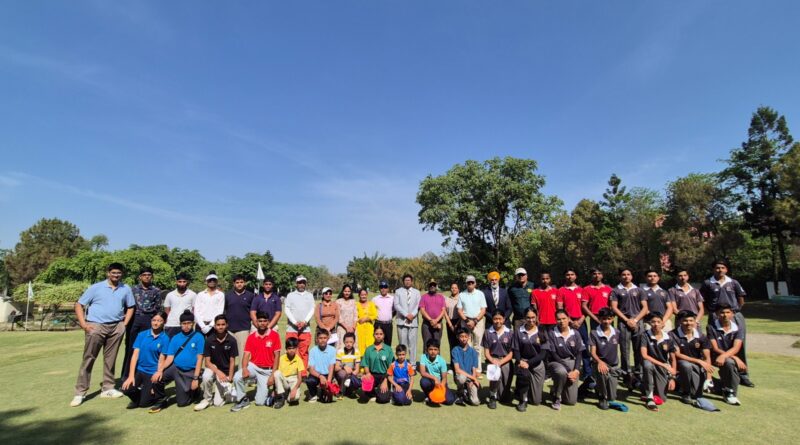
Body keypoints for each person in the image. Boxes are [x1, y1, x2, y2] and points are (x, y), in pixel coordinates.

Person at [71, 262, 135, 407]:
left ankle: (108, 388)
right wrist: (83, 324)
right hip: (96, 326)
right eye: (113, 273)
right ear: (108, 273)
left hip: (116, 326)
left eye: (119, 273)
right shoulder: (96, 287)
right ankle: (80, 392)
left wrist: (124, 324)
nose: (116, 275)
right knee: (89, 358)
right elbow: (79, 304)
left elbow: (131, 306)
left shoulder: (125, 288)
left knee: (110, 359)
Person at [700, 260, 753, 387]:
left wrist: (735, 311)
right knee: (716, 345)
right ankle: (723, 373)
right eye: (717, 268)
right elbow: (702, 300)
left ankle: (743, 375)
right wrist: (711, 312)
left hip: (734, 315)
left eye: (723, 267)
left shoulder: (733, 282)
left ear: (726, 269)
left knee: (739, 345)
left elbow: (741, 299)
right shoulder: (708, 283)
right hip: (715, 315)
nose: (720, 270)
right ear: (713, 269)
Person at [151, 310, 205, 412]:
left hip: (190, 371)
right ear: (180, 324)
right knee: (157, 378)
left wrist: (196, 378)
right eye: (184, 323)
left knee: (182, 403)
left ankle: (195, 391)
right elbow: (170, 358)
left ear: (193, 323)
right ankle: (161, 400)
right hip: (175, 368)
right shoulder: (175, 338)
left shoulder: (199, 337)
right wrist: (159, 370)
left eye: (189, 323)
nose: (186, 326)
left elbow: (199, 359)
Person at [230, 311, 281, 412]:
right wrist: (244, 368)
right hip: (254, 366)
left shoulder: (274, 335)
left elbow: (277, 357)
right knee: (237, 377)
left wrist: (272, 375)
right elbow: (246, 355)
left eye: (264, 321)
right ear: (256, 322)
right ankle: (243, 399)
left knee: (260, 402)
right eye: (260, 321)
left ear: (268, 322)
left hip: (267, 371)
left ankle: (272, 391)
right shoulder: (251, 336)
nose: (262, 323)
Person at [121, 311, 168, 409]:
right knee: (126, 389)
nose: (156, 323)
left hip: (152, 372)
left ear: (164, 322)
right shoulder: (142, 335)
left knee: (144, 404)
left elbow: (162, 359)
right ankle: (137, 399)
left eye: (159, 321)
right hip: (140, 370)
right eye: (154, 320)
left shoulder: (165, 338)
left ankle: (151, 396)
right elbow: (135, 356)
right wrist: (131, 376)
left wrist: (159, 372)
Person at [609, 267, 648, 388]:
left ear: (632, 276)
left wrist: (635, 320)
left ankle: (638, 374)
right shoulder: (615, 290)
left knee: (639, 349)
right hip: (623, 323)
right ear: (620, 276)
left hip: (638, 323)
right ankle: (626, 375)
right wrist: (627, 320)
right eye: (623, 274)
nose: (626, 276)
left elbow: (645, 308)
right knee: (625, 350)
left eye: (628, 274)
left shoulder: (639, 290)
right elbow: (614, 307)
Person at [122, 267, 162, 380]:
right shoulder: (133, 289)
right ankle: (126, 376)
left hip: (149, 320)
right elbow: (127, 306)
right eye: (144, 275)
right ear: (140, 277)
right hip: (134, 319)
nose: (147, 277)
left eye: (149, 275)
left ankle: (143, 377)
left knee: (146, 348)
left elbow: (158, 308)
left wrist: (156, 323)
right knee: (131, 348)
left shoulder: (156, 290)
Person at [670, 310, 714, 406]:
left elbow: (707, 357)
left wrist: (709, 378)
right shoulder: (672, 335)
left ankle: (681, 385)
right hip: (679, 365)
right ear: (680, 321)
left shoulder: (702, 337)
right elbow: (677, 354)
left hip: (697, 367)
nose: (688, 323)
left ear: (695, 321)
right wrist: (698, 360)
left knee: (697, 394)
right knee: (686, 365)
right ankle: (686, 393)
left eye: (691, 320)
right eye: (685, 320)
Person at [194, 314, 238, 411]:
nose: (220, 327)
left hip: (225, 372)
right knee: (206, 376)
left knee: (218, 403)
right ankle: (207, 399)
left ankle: (228, 392)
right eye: (218, 325)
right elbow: (207, 363)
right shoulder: (209, 340)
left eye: (223, 324)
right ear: (214, 326)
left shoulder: (232, 340)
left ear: (227, 325)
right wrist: (218, 372)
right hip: (213, 368)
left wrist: (230, 378)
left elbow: (232, 361)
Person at [707, 303, 746, 405]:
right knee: (729, 361)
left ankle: (730, 393)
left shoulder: (738, 328)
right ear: (717, 314)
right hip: (713, 355)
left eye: (728, 312)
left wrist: (725, 356)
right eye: (722, 312)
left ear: (732, 314)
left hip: (728, 356)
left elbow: (736, 348)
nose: (725, 315)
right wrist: (735, 358)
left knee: (728, 362)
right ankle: (722, 387)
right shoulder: (711, 327)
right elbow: (715, 348)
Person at [557, 269, 591, 384]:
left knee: (584, 346)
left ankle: (587, 372)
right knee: (567, 346)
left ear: (575, 276)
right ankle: (567, 370)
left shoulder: (582, 290)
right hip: (567, 323)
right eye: (567, 274)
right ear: (565, 276)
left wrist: (580, 320)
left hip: (581, 322)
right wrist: (570, 321)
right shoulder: (561, 290)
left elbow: (586, 308)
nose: (570, 276)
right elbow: (560, 308)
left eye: (572, 274)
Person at [546, 309, 585, 410]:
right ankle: (556, 396)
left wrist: (576, 370)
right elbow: (553, 354)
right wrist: (568, 370)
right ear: (556, 320)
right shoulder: (551, 333)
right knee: (561, 372)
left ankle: (556, 388)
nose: (561, 321)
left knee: (570, 401)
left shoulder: (575, 333)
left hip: (571, 362)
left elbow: (579, 353)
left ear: (568, 319)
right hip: (556, 362)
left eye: (564, 318)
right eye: (559, 319)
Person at [639, 312, 677, 411]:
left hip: (662, 367)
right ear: (649, 323)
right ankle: (649, 398)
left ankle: (639, 384)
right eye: (653, 322)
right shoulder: (644, 335)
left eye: (658, 322)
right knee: (647, 365)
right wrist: (664, 365)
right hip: (650, 363)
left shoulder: (669, 338)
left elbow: (673, 359)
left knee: (661, 399)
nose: (656, 324)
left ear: (663, 324)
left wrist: (672, 378)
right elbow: (644, 355)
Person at [511, 306, 547, 412]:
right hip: (522, 362)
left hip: (537, 364)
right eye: (528, 317)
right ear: (524, 318)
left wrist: (529, 363)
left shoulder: (542, 330)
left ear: (536, 317)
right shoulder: (518, 331)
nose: (531, 320)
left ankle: (523, 390)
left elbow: (543, 353)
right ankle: (523, 399)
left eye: (533, 317)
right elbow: (516, 350)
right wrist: (520, 361)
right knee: (523, 375)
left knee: (536, 401)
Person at [589, 308, 623, 410]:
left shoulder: (617, 332)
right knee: (602, 371)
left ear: (612, 319)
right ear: (599, 319)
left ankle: (593, 385)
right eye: (604, 319)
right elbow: (592, 352)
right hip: (599, 364)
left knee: (612, 397)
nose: (606, 321)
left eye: (609, 319)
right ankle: (602, 398)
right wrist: (600, 362)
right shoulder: (594, 333)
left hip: (613, 366)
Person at [481, 309, 513, 409]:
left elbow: (511, 353)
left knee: (503, 397)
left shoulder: (510, 332)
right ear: (492, 319)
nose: (497, 321)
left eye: (500, 319)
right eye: (495, 319)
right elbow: (486, 352)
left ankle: (503, 393)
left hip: (506, 359)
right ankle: (492, 396)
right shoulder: (487, 332)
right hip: (493, 359)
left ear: (504, 319)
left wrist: (501, 361)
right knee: (494, 371)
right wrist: (493, 361)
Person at [225, 274, 255, 368]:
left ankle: (242, 373)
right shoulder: (227, 295)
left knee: (243, 354)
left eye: (241, 282)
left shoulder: (250, 296)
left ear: (245, 283)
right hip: (229, 329)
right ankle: (227, 372)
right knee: (228, 353)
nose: (239, 284)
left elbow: (253, 311)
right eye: (237, 282)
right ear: (234, 284)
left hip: (243, 328)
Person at [458, 275, 488, 369]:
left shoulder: (480, 294)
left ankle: (477, 368)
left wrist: (475, 321)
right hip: (465, 321)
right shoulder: (462, 294)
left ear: (475, 283)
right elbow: (459, 310)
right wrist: (467, 321)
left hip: (478, 322)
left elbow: (483, 309)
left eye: (472, 282)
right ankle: (468, 368)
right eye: (468, 282)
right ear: (466, 284)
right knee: (466, 345)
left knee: (477, 346)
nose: (470, 284)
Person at [284, 275, 315, 367]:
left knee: (303, 352)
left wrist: (305, 321)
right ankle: (291, 370)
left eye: (303, 282)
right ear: (296, 284)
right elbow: (287, 309)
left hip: (305, 328)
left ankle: (303, 372)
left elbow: (312, 309)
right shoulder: (290, 295)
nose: (301, 284)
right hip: (292, 328)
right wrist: (295, 322)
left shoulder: (309, 295)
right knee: (291, 351)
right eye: (299, 282)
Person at [361, 326, 394, 404]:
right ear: (373, 335)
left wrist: (385, 380)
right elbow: (365, 364)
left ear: (384, 335)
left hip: (385, 375)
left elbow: (391, 367)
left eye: (381, 334)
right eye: (376, 334)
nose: (378, 336)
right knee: (365, 393)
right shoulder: (369, 349)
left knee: (383, 399)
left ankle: (386, 392)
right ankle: (373, 393)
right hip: (372, 375)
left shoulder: (388, 349)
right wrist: (367, 373)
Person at [394, 273, 421, 366]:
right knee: (402, 344)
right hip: (401, 321)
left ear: (412, 281)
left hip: (413, 322)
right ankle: (403, 364)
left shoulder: (417, 292)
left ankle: (413, 364)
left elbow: (418, 305)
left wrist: (412, 315)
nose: (407, 282)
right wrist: (406, 315)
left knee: (413, 345)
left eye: (409, 280)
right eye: (406, 280)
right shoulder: (398, 291)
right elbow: (396, 305)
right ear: (403, 281)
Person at [418, 339, 456, 406]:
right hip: (430, 381)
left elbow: (444, 378)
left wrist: (441, 387)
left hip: (440, 383)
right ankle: (429, 396)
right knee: (423, 381)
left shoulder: (442, 361)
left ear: (438, 351)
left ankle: (437, 396)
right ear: (427, 350)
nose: (433, 352)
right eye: (430, 349)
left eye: (435, 349)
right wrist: (435, 378)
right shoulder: (423, 357)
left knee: (450, 401)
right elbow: (422, 372)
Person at [272, 337, 306, 409]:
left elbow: (300, 378)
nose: (291, 350)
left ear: (296, 349)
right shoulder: (281, 358)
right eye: (289, 348)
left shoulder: (299, 360)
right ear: (286, 349)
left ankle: (288, 394)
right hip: (284, 379)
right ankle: (280, 397)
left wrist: (295, 389)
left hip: (293, 379)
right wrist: (274, 390)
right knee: (276, 373)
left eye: (293, 348)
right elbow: (277, 377)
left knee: (294, 398)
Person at [305, 329, 337, 403]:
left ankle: (324, 390)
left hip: (327, 375)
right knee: (310, 381)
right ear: (317, 339)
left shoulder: (332, 350)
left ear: (328, 338)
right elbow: (311, 369)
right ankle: (313, 394)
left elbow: (331, 367)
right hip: (316, 375)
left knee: (326, 400)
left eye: (325, 338)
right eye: (320, 338)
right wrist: (320, 376)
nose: (322, 340)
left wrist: (328, 383)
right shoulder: (312, 351)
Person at [451, 327, 481, 406]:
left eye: (465, 336)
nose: (463, 339)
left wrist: (473, 380)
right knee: (462, 378)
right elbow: (457, 370)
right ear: (457, 337)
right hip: (460, 376)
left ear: (469, 337)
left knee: (475, 402)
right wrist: (474, 378)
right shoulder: (455, 350)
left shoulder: (473, 352)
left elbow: (474, 369)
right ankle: (460, 393)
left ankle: (467, 391)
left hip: (470, 377)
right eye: (461, 336)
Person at [164, 272, 197, 337]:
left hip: (186, 325)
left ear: (187, 282)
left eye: (184, 282)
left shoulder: (193, 295)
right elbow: (167, 310)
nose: (182, 284)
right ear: (176, 282)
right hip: (172, 324)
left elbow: (194, 310)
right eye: (180, 282)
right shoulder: (170, 295)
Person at [194, 272, 225, 336]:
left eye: (214, 280)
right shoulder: (200, 294)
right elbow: (196, 311)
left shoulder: (220, 295)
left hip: (214, 325)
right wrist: (202, 326)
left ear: (217, 282)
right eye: (210, 280)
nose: (212, 281)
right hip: (200, 325)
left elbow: (220, 311)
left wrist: (210, 325)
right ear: (206, 281)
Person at [419, 280, 446, 348]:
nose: (432, 286)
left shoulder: (441, 297)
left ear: (436, 286)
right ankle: (426, 355)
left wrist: (436, 320)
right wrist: (431, 320)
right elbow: (422, 310)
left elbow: (443, 310)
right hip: (427, 324)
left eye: (434, 285)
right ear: (428, 286)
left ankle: (437, 356)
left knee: (437, 344)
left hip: (438, 323)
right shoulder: (424, 297)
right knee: (426, 344)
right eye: (431, 285)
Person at [335, 332, 361, 399]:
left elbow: (357, 369)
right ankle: (341, 391)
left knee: (358, 380)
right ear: (343, 342)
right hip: (342, 373)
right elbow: (336, 367)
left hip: (352, 374)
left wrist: (351, 376)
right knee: (342, 374)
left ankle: (351, 390)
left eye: (351, 342)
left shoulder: (357, 352)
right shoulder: (340, 351)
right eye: (346, 342)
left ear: (354, 342)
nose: (348, 344)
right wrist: (344, 367)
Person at [356, 289, 378, 356]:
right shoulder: (356, 305)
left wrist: (367, 318)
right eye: (362, 295)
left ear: (367, 295)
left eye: (365, 295)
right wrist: (359, 319)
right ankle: (361, 361)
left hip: (369, 328)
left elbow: (375, 315)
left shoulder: (371, 304)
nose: (363, 296)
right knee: (360, 345)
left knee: (370, 344)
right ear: (359, 295)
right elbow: (354, 315)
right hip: (359, 328)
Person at [372, 281, 395, 346]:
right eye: (381, 287)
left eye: (385, 287)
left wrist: (389, 317)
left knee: (388, 343)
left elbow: (395, 310)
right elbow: (372, 311)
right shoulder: (375, 299)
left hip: (388, 325)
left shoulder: (392, 298)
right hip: (378, 324)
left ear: (388, 289)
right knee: (377, 343)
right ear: (379, 289)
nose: (383, 289)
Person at [335, 284, 357, 349]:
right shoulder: (338, 301)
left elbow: (355, 315)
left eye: (348, 291)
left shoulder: (353, 301)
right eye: (345, 291)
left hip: (352, 328)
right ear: (342, 291)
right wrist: (346, 328)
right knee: (342, 347)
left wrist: (353, 327)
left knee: (352, 347)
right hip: (342, 328)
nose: (347, 293)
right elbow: (338, 316)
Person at [444, 283, 461, 360]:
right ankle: (452, 363)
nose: (454, 289)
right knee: (451, 343)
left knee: (459, 342)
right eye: (452, 288)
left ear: (458, 289)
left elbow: (462, 312)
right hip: (449, 322)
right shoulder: (447, 299)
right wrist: (450, 325)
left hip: (459, 322)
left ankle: (459, 362)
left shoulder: (461, 298)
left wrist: (457, 324)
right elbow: (445, 312)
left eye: (455, 288)